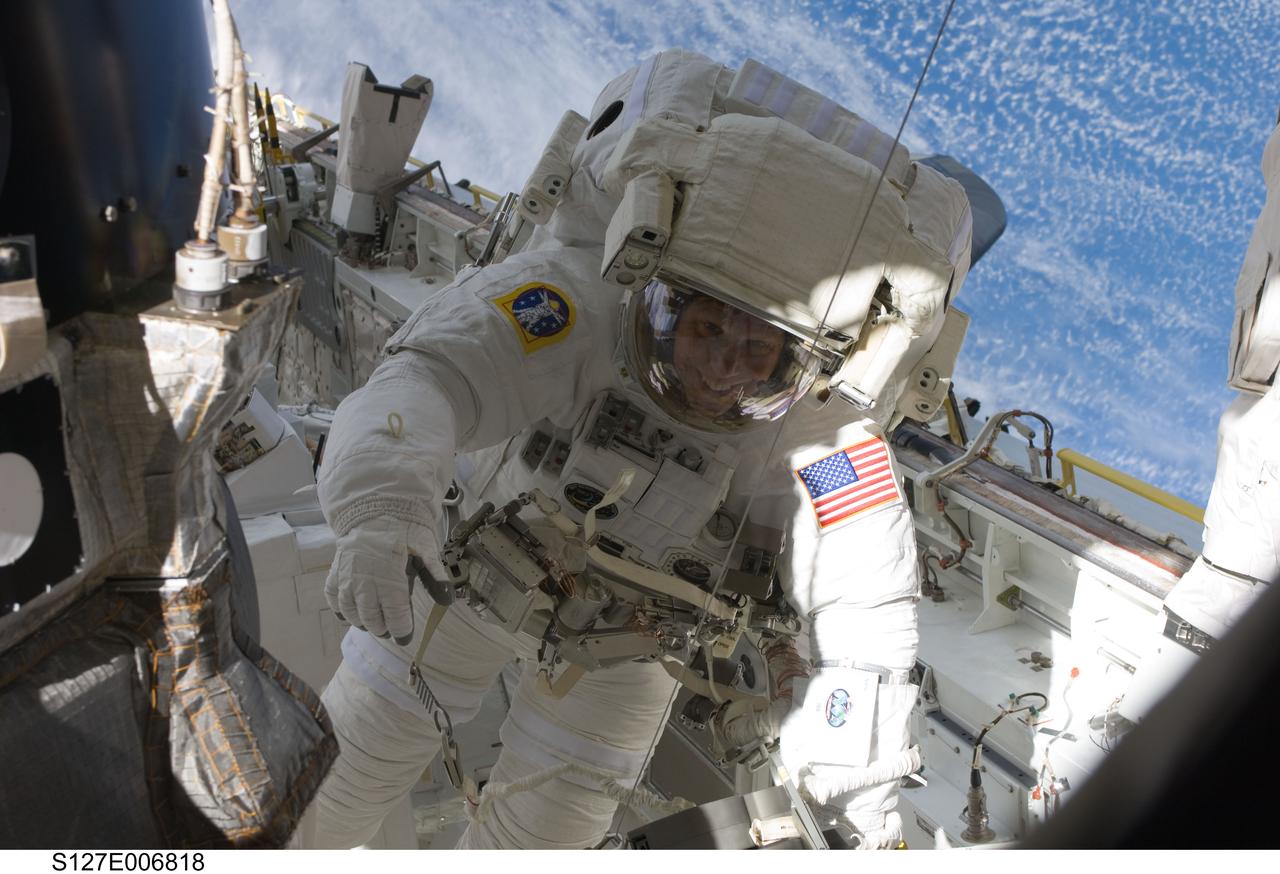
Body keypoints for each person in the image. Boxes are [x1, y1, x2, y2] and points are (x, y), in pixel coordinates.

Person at [309, 49, 973, 849]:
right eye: (705, 329)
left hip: (629, 649)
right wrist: (383, 509)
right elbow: (430, 379)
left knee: (539, 846)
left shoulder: (820, 427)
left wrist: (855, 791)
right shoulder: (576, 302)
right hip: (463, 571)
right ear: (659, 302)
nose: (724, 366)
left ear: (798, 362)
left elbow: (869, 606)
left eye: (758, 353)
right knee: (336, 784)